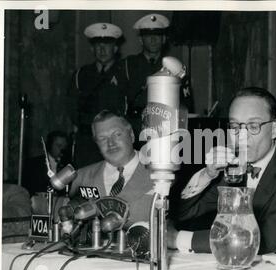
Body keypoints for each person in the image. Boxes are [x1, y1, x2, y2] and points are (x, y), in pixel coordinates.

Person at [168, 87, 276, 255]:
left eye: (253, 126)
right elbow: (183, 213)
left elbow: (263, 239)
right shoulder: (233, 165)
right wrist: (208, 174)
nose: (241, 136)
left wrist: (178, 239)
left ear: (274, 129)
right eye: (235, 126)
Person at [70, 110, 154, 226]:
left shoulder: (158, 172)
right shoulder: (81, 177)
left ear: (131, 135)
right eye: (102, 138)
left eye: (117, 134)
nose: (111, 143)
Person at [67, 22, 128, 168]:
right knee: (87, 182)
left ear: (115, 48)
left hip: (114, 140)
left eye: (106, 45)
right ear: (91, 48)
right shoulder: (82, 74)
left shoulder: (124, 73)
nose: (102, 49)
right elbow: (71, 106)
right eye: (97, 45)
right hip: (87, 141)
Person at [124, 13, 193, 136]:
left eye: (157, 35)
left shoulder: (175, 66)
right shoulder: (128, 65)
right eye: (148, 35)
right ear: (140, 40)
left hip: (165, 130)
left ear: (164, 39)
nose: (153, 39)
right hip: (134, 130)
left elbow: (186, 103)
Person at [22, 130, 70, 196]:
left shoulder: (68, 165)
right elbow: (26, 187)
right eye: (59, 146)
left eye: (64, 147)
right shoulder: (33, 164)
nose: (62, 150)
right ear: (50, 145)